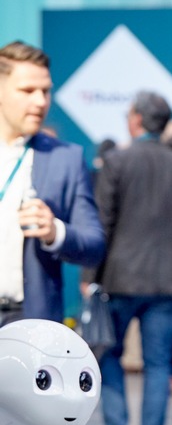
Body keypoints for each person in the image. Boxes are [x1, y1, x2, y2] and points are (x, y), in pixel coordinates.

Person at [90, 91, 172, 425]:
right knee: (159, 365)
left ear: (136, 120)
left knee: (109, 353)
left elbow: (102, 224)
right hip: (168, 282)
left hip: (119, 279)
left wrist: (90, 275)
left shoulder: (116, 161)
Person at [0, 41, 105, 325]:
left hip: (30, 321)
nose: (40, 101)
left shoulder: (65, 158)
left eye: (45, 91)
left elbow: (94, 246)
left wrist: (54, 231)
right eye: (27, 91)